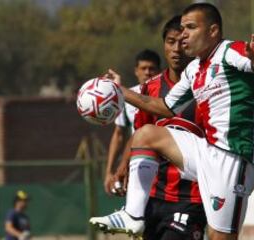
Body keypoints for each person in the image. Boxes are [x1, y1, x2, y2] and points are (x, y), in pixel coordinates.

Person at [93, 3, 254, 240]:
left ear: (213, 31)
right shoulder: (194, 69)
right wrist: (119, 90)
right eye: (182, 28)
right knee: (146, 134)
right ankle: (133, 216)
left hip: (234, 158)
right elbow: (163, 107)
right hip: (207, 151)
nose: (183, 34)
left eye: (190, 27)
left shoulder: (230, 51)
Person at [94, 15, 207, 240]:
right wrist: (122, 168)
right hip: (154, 195)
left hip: (192, 197)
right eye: (170, 42)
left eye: (181, 43)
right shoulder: (149, 90)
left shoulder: (205, 87)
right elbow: (139, 135)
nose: (176, 49)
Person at [104, 49, 161, 194]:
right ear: (136, 71)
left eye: (152, 68)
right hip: (137, 161)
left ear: (159, 70)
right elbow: (119, 134)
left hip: (164, 163)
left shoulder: (166, 95)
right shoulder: (126, 96)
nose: (147, 72)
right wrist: (109, 171)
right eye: (143, 68)